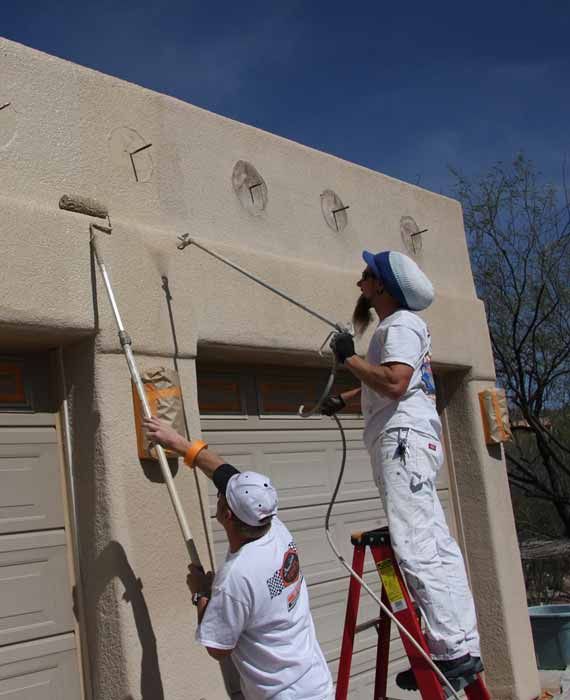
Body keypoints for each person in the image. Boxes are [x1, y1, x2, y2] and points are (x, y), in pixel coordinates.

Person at [323, 250, 482, 691]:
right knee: (433, 542)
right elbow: (397, 382)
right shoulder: (402, 329)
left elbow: (393, 384)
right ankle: (462, 646)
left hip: (402, 443)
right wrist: (347, 399)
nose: (360, 280)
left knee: (417, 545)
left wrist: (347, 358)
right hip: (409, 442)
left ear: (382, 286)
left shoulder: (400, 326)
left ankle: (450, 652)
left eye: (367, 275)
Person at [143, 416, 333, 700]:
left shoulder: (237, 576)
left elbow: (218, 649)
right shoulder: (274, 526)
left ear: (227, 515)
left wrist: (201, 594)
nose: (219, 492)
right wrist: (179, 444)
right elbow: (224, 473)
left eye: (221, 496)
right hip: (315, 683)